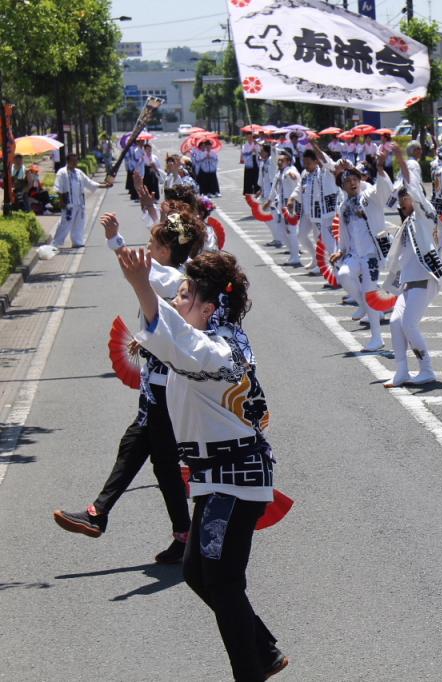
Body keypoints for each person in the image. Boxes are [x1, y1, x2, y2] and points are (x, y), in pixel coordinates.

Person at [117, 247, 287, 680]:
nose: (178, 301)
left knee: (224, 582)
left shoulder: (214, 352)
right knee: (196, 572)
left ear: (209, 308)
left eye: (186, 297)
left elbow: (177, 339)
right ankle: (263, 649)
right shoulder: (219, 331)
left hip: (234, 478)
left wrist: (139, 285)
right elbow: (175, 298)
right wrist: (141, 269)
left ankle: (251, 670)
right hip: (218, 476)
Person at [53, 209, 208, 563]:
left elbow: (135, 266)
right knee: (158, 459)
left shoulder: (171, 278)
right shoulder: (172, 278)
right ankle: (180, 535)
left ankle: (99, 514)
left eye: (153, 244)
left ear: (168, 250)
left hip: (167, 387)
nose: (149, 249)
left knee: (148, 453)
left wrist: (114, 239)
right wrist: (143, 338)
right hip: (161, 384)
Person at [382, 147, 442, 387]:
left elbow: (413, 189)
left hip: (424, 279)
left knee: (409, 324)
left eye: (405, 196)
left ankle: (427, 369)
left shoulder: (424, 213)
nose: (402, 200)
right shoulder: (408, 222)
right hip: (408, 282)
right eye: (401, 198)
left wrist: (401, 161)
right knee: (394, 322)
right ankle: (402, 370)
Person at [333, 148, 393, 351]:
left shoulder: (369, 196)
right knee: (343, 275)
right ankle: (361, 304)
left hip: (371, 255)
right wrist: (341, 250)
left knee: (370, 292)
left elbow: (384, 190)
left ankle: (377, 337)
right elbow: (343, 230)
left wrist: (381, 168)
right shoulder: (343, 206)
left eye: (354, 179)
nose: (351, 183)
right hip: (354, 254)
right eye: (347, 181)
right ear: (342, 186)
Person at [288, 146, 341, 269]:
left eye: (308, 163)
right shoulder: (305, 174)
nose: (306, 165)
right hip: (307, 211)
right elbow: (299, 188)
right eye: (304, 162)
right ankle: (315, 258)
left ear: (316, 161)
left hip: (319, 213)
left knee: (320, 239)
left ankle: (323, 264)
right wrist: (292, 198)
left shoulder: (322, 173)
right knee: (301, 235)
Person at [52, 153, 112, 247]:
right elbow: (58, 188)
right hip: (68, 203)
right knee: (65, 224)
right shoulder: (62, 172)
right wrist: (61, 201)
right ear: (68, 161)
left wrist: (104, 185)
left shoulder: (78, 172)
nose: (75, 163)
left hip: (79, 203)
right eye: (73, 161)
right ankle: (56, 243)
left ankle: (77, 241)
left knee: (79, 224)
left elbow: (89, 183)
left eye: (76, 160)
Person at [265, 150, 303, 268]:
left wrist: (293, 177)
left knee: (290, 230)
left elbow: (297, 179)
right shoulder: (279, 172)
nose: (279, 162)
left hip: (290, 205)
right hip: (281, 205)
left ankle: (295, 256)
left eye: (282, 160)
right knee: (281, 231)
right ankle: (293, 253)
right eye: (279, 160)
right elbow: (274, 188)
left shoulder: (291, 170)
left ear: (288, 161)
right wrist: (269, 201)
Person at [255, 143, 284, 249]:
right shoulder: (263, 163)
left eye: (262, 151)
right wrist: (260, 189)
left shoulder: (272, 161)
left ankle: (279, 238)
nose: (260, 153)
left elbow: (275, 154)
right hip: (265, 192)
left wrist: (272, 147)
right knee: (265, 216)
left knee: (271, 216)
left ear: (267, 152)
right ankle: (277, 237)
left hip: (273, 193)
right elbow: (263, 178)